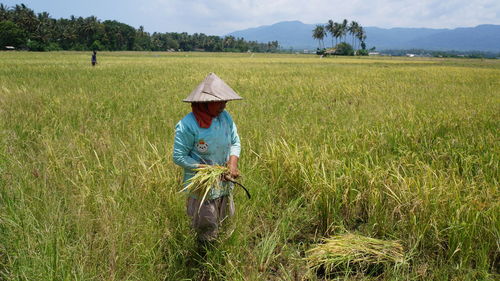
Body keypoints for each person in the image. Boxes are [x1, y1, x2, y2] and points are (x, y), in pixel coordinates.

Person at [173, 73, 242, 244]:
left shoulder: (225, 117)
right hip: (202, 188)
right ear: (205, 102)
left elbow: (235, 142)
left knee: (225, 221)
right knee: (206, 227)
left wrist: (232, 164)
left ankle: (220, 253)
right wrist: (208, 171)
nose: (224, 106)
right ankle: (204, 259)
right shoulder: (187, 125)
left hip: (225, 184)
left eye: (226, 102)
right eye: (220, 102)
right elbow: (179, 157)